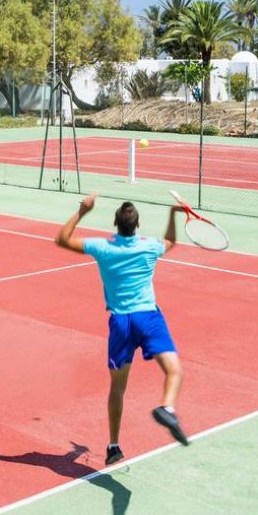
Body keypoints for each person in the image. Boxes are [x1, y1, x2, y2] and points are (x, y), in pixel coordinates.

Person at [55, 193, 189, 465]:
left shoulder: (102, 247)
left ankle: (114, 446)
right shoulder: (150, 247)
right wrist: (173, 213)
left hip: (120, 324)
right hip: (148, 317)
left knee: (117, 388)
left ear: (115, 224)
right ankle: (167, 407)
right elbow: (171, 241)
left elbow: (62, 239)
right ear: (137, 225)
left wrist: (82, 211)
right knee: (174, 370)